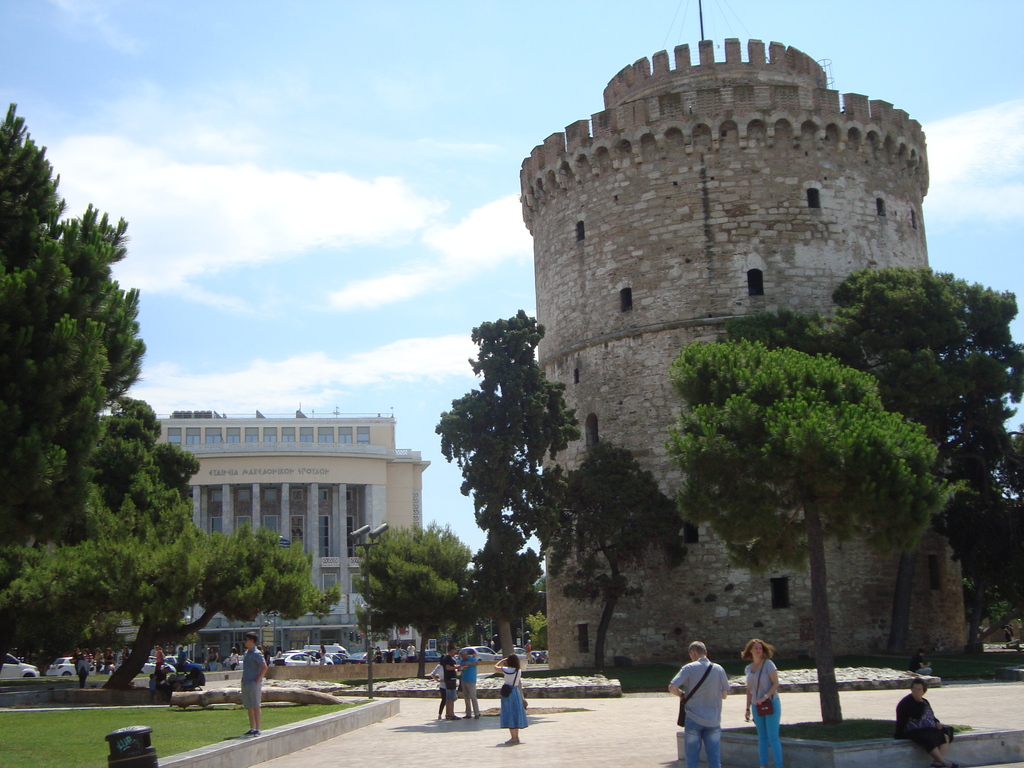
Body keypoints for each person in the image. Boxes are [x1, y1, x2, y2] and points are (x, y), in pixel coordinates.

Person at [669, 641, 731, 768]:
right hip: (713, 719)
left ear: (693, 653)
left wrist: (682, 694)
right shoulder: (718, 669)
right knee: (714, 758)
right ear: (706, 653)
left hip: (693, 717)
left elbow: (672, 687)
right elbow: (724, 694)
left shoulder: (689, 668)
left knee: (692, 759)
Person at [895, 678, 959, 768]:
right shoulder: (906, 703)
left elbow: (931, 716)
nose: (916, 691)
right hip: (911, 730)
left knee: (946, 734)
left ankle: (937, 762)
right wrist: (919, 702)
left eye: (919, 689)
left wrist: (937, 722)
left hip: (927, 728)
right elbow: (917, 715)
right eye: (914, 689)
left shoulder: (924, 701)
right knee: (927, 738)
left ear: (923, 691)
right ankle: (944, 762)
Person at [742, 638, 783, 768]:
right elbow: (749, 690)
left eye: (760, 648)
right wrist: (747, 708)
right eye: (755, 648)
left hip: (771, 703)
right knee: (762, 737)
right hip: (756, 705)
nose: (758, 650)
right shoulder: (748, 668)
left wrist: (765, 697)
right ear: (750, 650)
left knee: (773, 736)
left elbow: (776, 683)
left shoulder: (768, 664)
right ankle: (763, 764)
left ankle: (779, 765)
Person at [495, 653, 528, 745]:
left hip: (508, 693)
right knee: (516, 713)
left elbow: (495, 668)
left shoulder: (508, 670)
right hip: (516, 692)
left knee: (509, 713)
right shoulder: (518, 670)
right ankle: (516, 737)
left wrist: (502, 661)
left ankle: (513, 737)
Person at [241, 631, 267, 737]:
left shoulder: (257, 653)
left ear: (251, 641)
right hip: (246, 682)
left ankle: (258, 728)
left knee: (256, 706)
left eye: (246, 640)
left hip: (253, 683)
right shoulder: (246, 653)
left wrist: (257, 681)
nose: (244, 642)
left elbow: (264, 667)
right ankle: (252, 728)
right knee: (249, 706)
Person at [458, 647, 481, 719]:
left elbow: (477, 663)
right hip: (464, 680)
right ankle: (468, 713)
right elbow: (459, 669)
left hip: (471, 680)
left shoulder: (472, 659)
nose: (463, 657)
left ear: (466, 654)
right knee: (466, 697)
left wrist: (469, 663)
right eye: (462, 656)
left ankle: (477, 713)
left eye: (464, 656)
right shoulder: (461, 661)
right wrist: (461, 667)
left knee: (473, 697)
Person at [441, 643, 460, 720]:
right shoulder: (448, 658)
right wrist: (458, 667)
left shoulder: (446, 658)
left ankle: (448, 713)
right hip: (450, 679)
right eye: (455, 651)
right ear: (451, 650)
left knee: (448, 698)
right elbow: (448, 668)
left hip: (447, 679)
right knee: (452, 698)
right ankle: (451, 714)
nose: (455, 653)